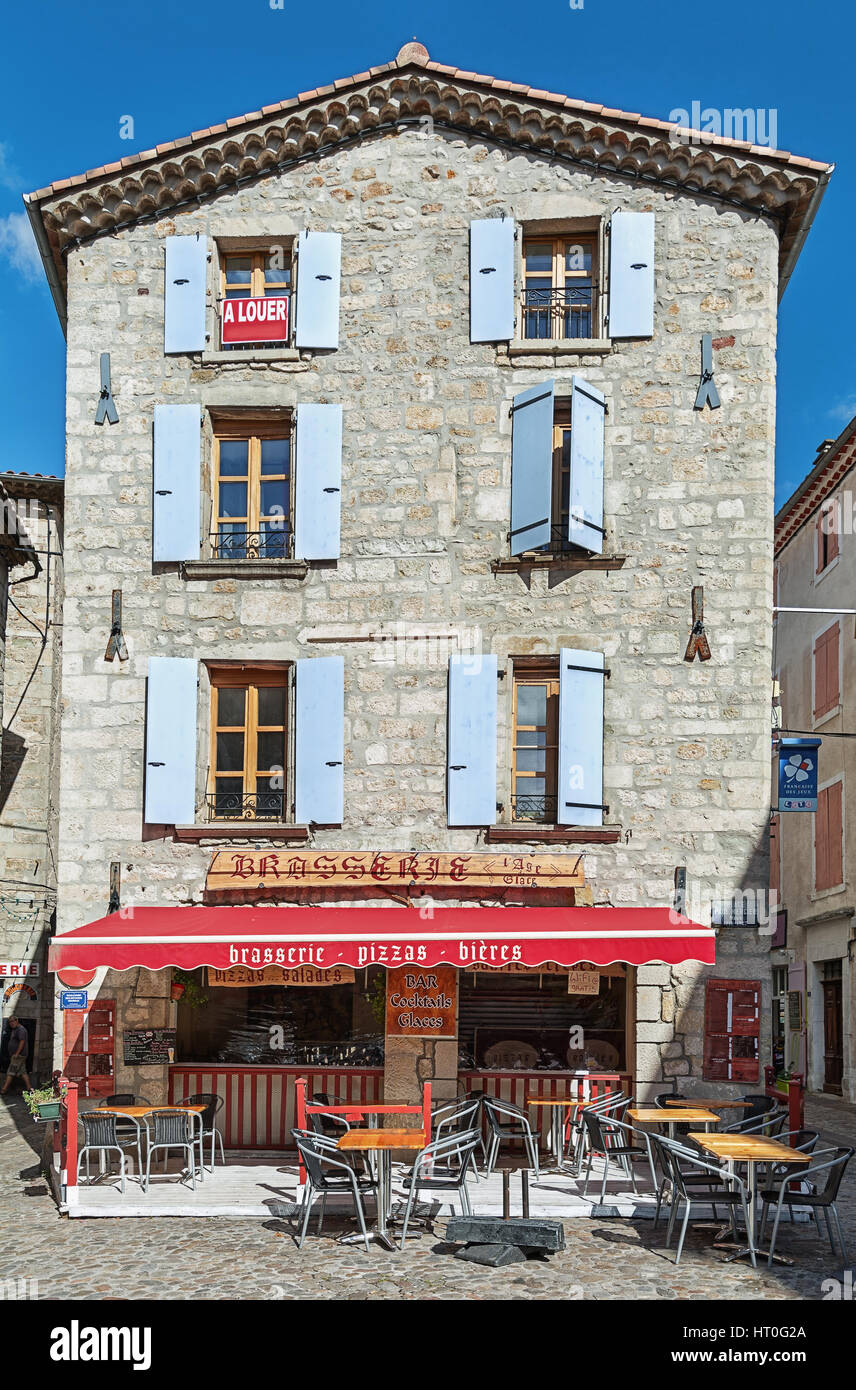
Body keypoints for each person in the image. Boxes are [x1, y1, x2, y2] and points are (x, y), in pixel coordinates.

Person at [1, 1017, 30, 1094]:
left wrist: (17, 1053)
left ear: (17, 1020)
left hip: (19, 1056)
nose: (11, 1023)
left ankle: (4, 1089)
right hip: (18, 1055)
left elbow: (22, 1041)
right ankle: (29, 1088)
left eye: (12, 1021)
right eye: (9, 1022)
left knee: (11, 1072)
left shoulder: (21, 1030)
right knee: (23, 1072)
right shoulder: (15, 1030)